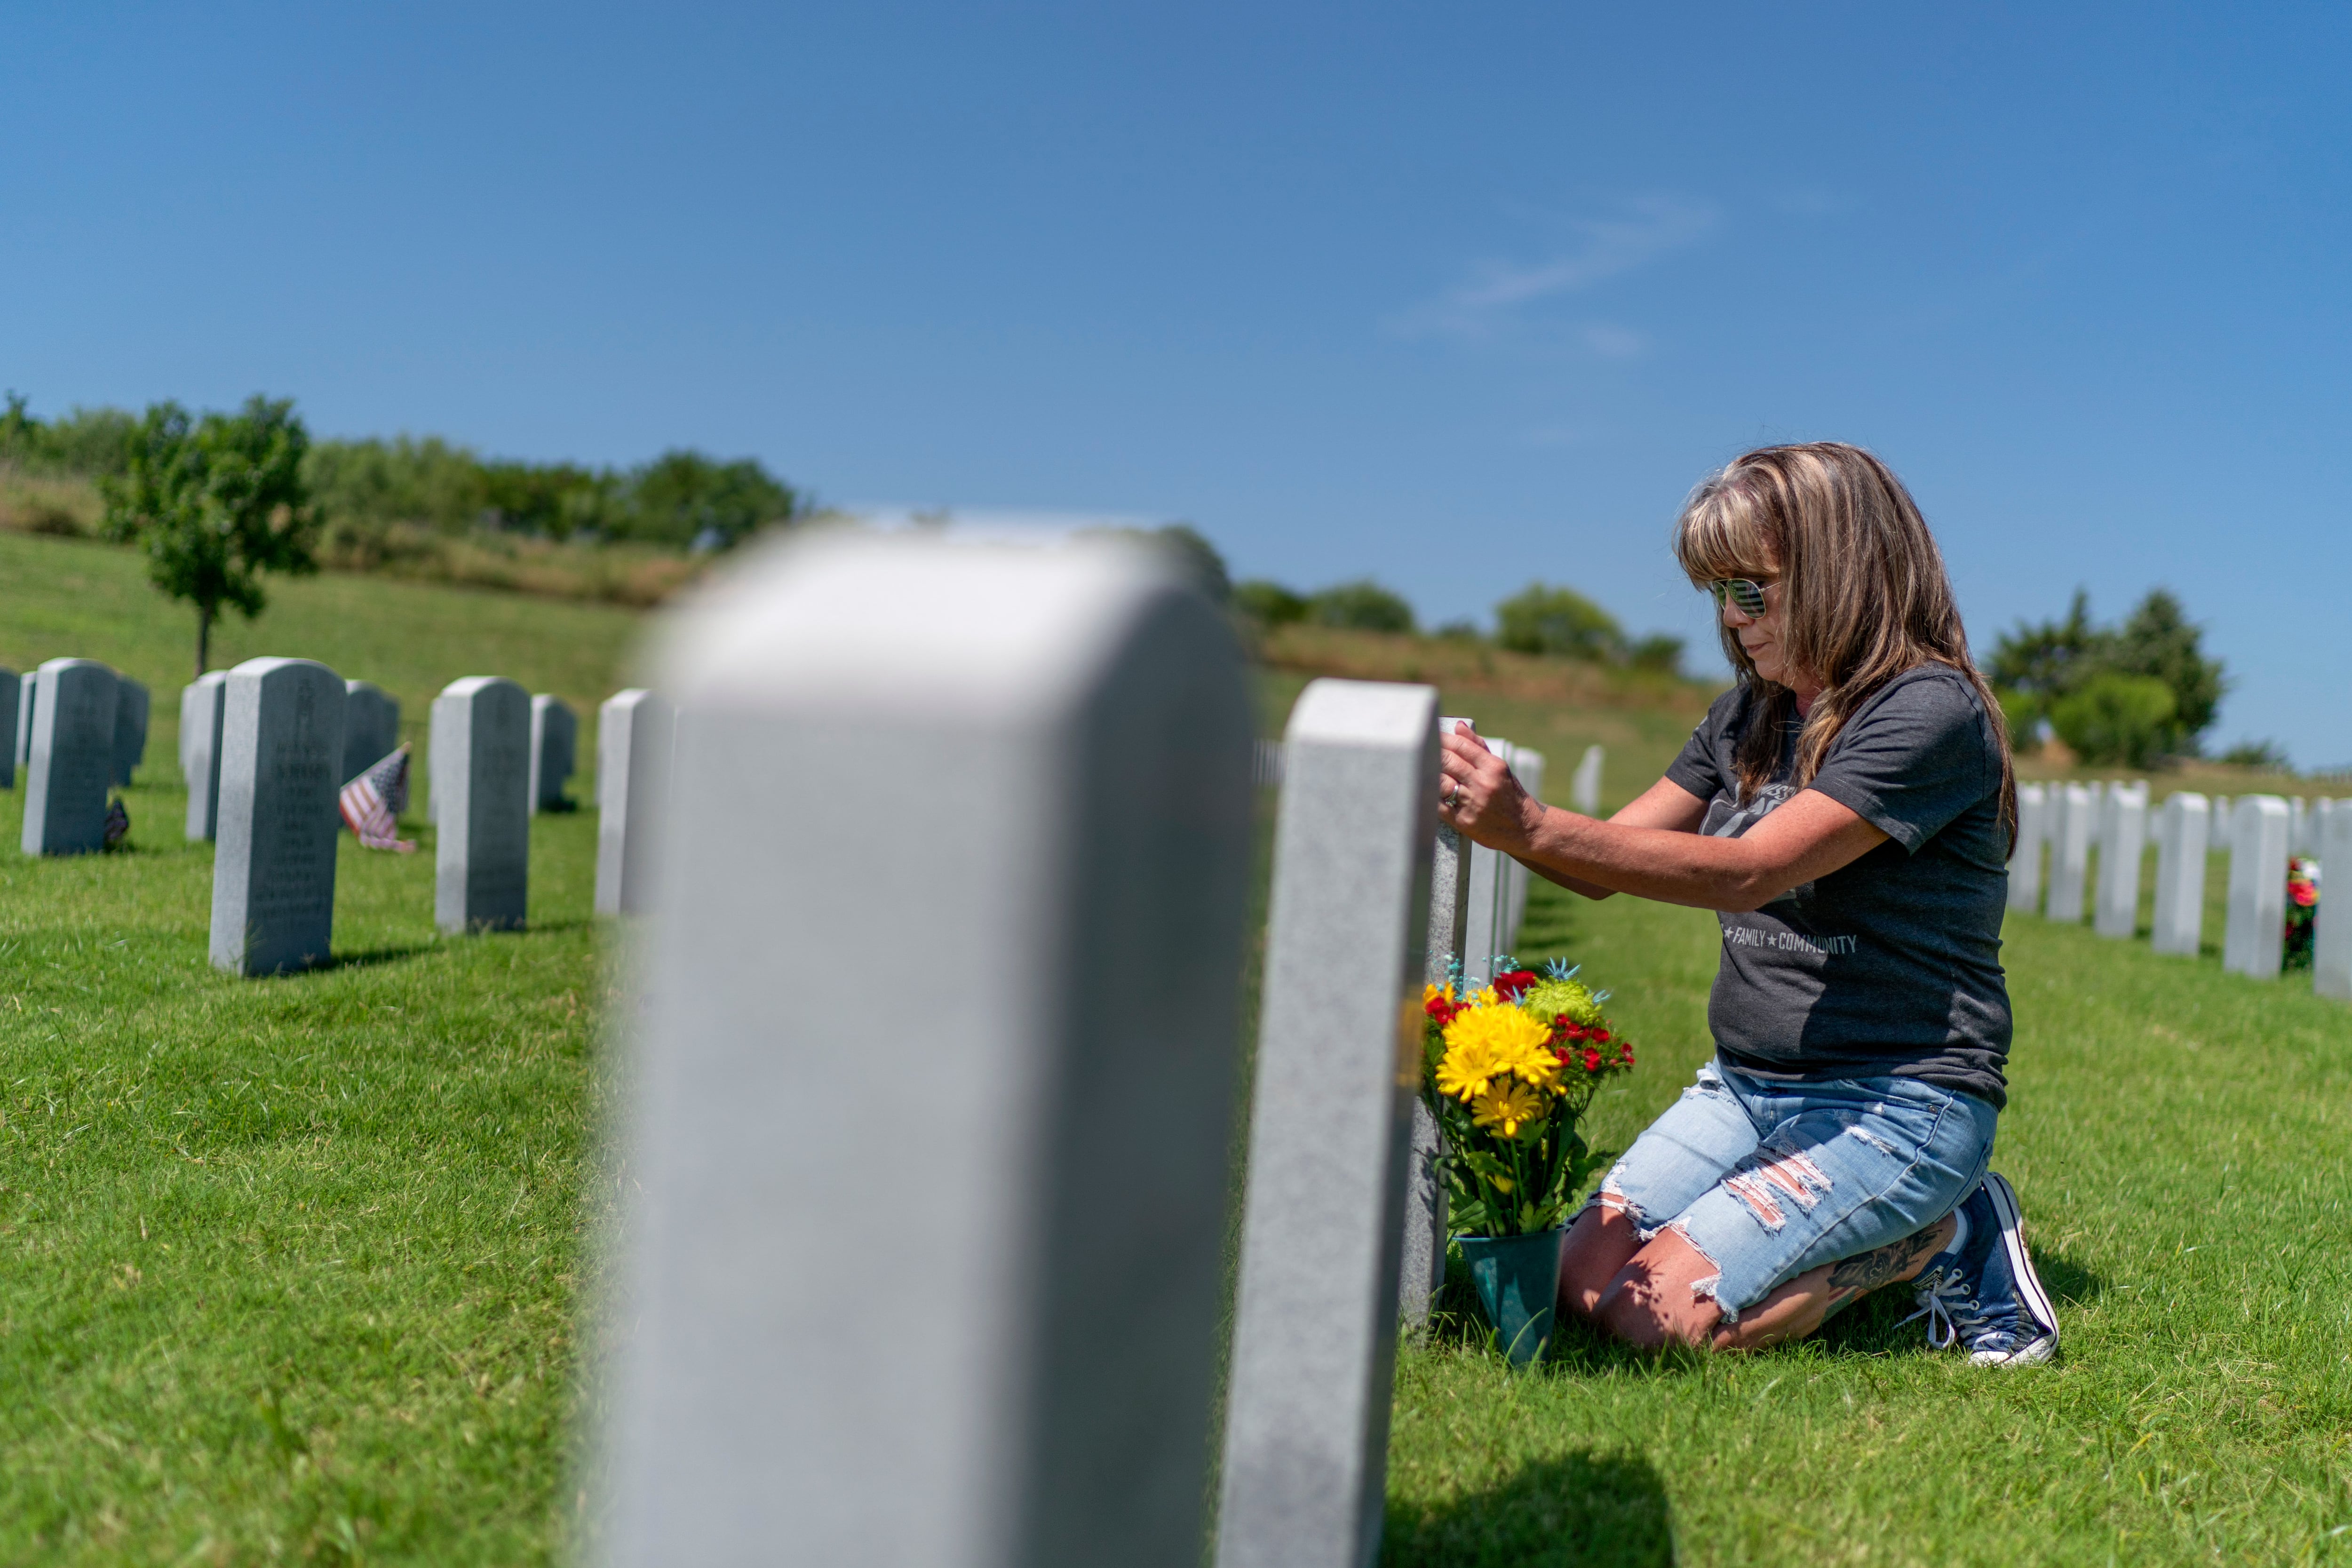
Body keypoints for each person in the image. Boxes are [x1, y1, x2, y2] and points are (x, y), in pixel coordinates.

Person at [1436, 442, 2058, 1366]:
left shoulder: (1926, 709)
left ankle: (1934, 1237)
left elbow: (1748, 870)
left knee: (1658, 1322)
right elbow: (1604, 859)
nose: (1732, 616)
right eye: (1718, 590)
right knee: (1579, 1280)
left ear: (1845, 571)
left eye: (1754, 589)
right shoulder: (1750, 712)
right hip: (1744, 1084)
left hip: (1898, 1099)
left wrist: (1524, 819)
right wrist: (1481, 807)